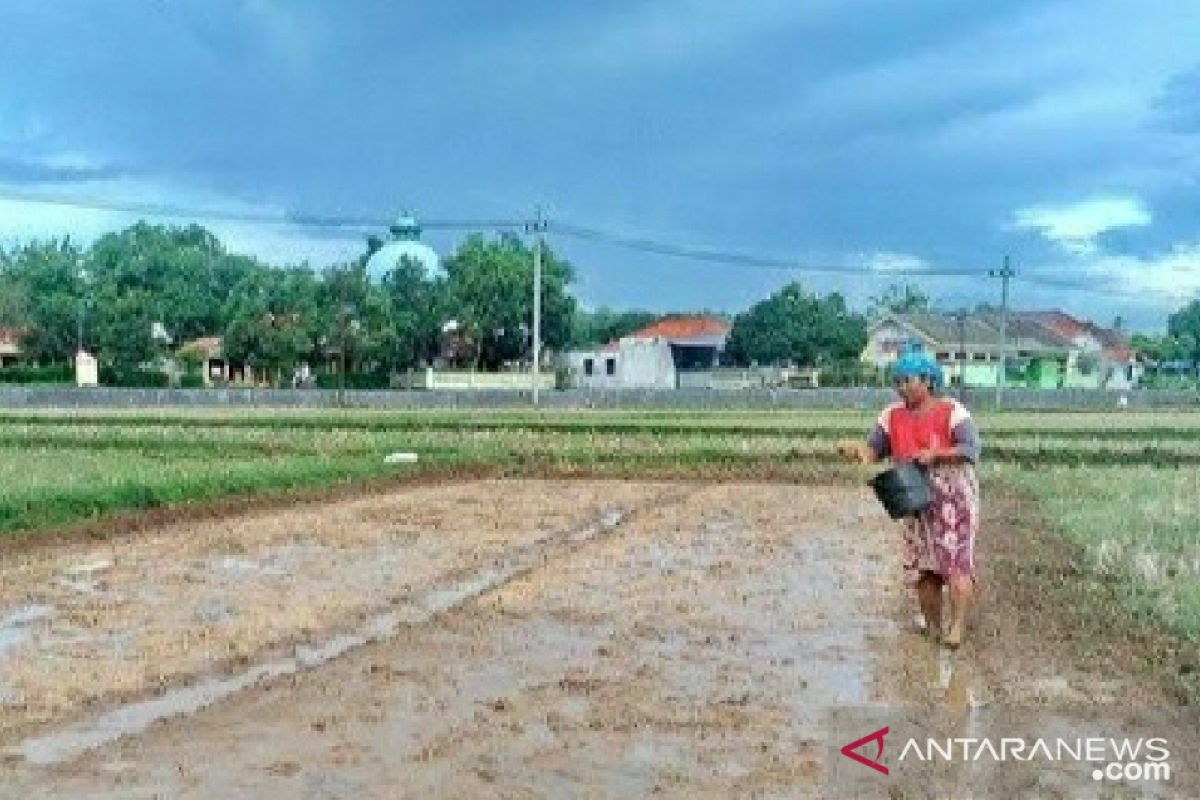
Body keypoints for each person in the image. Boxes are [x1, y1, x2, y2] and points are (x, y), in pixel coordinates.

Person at [839, 346, 982, 648]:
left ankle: (956, 628)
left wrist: (937, 453)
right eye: (898, 381)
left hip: (952, 495)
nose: (902, 386)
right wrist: (858, 452)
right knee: (924, 567)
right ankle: (932, 627)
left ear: (929, 381)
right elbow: (874, 451)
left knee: (956, 562)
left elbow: (971, 449)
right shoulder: (891, 416)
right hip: (913, 494)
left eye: (908, 380)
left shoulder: (952, 411)